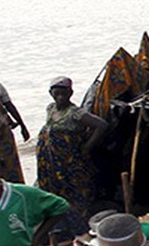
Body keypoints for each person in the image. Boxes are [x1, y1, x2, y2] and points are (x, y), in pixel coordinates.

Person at [35, 77, 107, 237]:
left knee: (75, 195)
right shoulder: (51, 109)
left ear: (71, 93)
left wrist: (87, 147)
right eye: (57, 93)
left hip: (69, 163)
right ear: (51, 93)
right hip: (51, 165)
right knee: (54, 194)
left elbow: (101, 125)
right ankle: (59, 229)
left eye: (64, 93)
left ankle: (79, 231)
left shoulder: (76, 113)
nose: (60, 97)